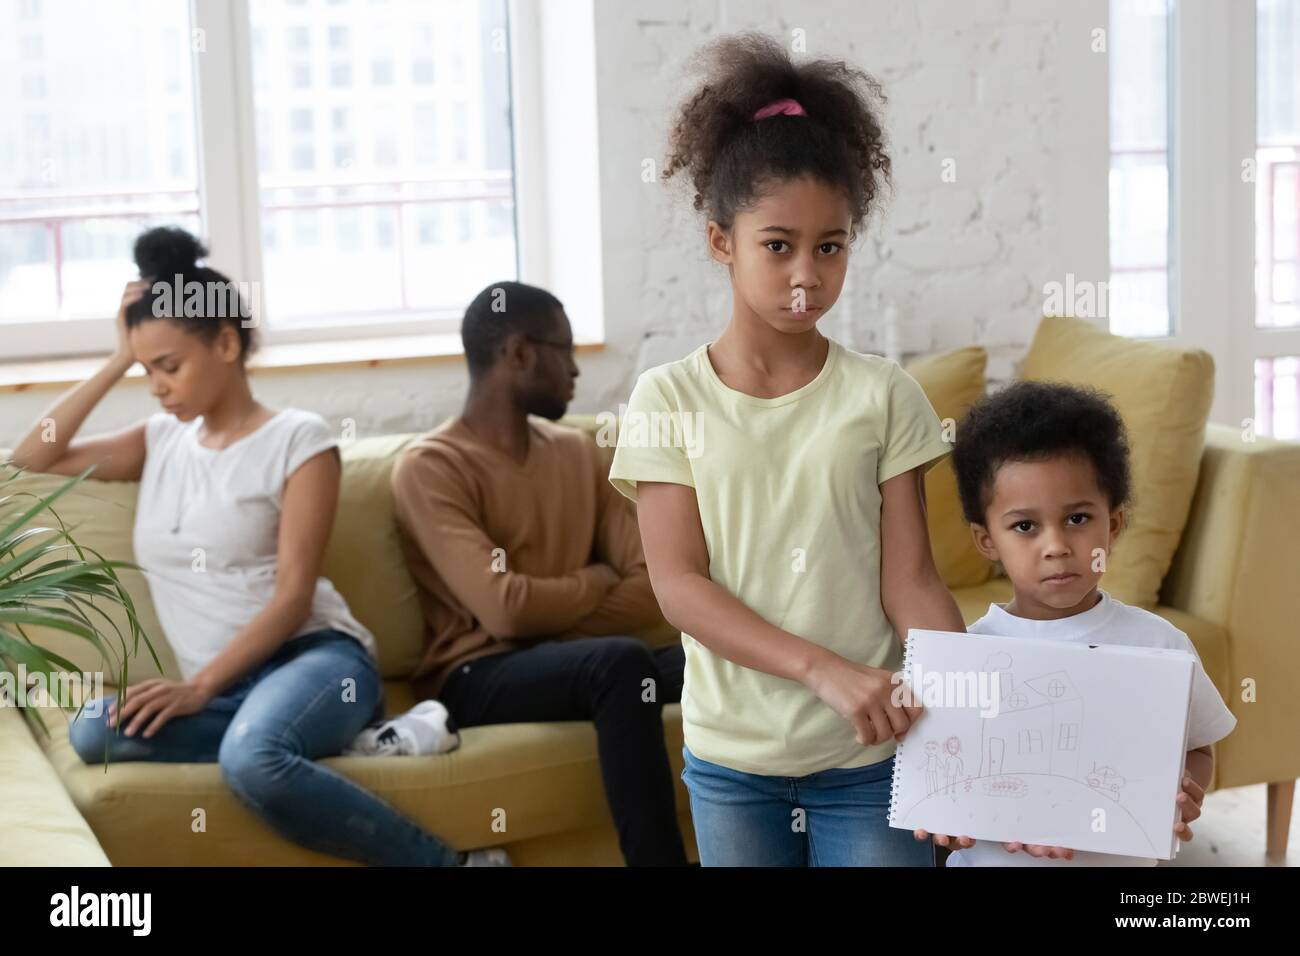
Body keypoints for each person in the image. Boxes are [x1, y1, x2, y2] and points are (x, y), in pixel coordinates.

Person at [10, 226, 486, 866]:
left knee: (251, 760)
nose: (157, 385)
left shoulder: (299, 440)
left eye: (169, 366)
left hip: (312, 661)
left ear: (226, 342)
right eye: (147, 371)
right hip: (234, 693)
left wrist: (199, 687)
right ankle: (337, 743)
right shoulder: (159, 440)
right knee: (94, 731)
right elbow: (30, 459)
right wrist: (122, 355)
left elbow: (293, 599)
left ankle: (453, 865)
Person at [607, 33, 966, 866]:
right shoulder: (667, 398)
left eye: (830, 246)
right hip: (734, 765)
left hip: (871, 757)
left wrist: (966, 718)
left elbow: (911, 581)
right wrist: (821, 670)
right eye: (778, 245)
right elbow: (680, 586)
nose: (806, 275)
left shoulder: (883, 396)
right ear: (720, 242)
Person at [391, 280, 689, 866]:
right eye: (566, 352)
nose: (577, 372)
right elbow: (503, 609)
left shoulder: (582, 452)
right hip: (478, 674)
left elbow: (651, 586)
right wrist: (595, 583)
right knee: (618, 663)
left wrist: (545, 622)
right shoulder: (431, 467)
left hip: (586, 665)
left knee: (716, 652)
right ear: (520, 353)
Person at [923, 380, 1237, 866]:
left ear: (1111, 526)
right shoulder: (967, 655)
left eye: (1077, 519)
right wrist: (945, 818)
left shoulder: (1159, 645)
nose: (1056, 546)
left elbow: (1199, 747)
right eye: (1025, 526)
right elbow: (945, 778)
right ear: (987, 541)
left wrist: (1182, 787)